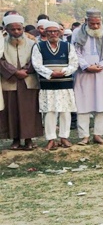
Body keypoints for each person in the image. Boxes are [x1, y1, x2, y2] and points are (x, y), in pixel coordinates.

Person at [31, 21, 79, 150]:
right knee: (49, 112)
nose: (53, 34)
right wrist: (51, 73)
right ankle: (51, 139)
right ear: (45, 33)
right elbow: (37, 64)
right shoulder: (39, 46)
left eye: (55, 31)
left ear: (59, 32)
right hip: (48, 84)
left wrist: (63, 72)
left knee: (65, 111)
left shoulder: (67, 46)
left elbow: (74, 63)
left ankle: (64, 137)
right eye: (50, 31)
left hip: (65, 83)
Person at [0, 15, 43, 150]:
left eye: (19, 29)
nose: (17, 32)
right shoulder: (2, 43)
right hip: (10, 81)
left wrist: (25, 70)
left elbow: (36, 60)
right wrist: (14, 72)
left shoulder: (32, 43)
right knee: (12, 112)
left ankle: (29, 140)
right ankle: (15, 140)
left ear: (23, 28)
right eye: (13, 30)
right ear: (7, 29)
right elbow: (1, 60)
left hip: (28, 81)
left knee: (29, 111)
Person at [73, 9, 103, 145]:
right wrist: (85, 66)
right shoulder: (77, 32)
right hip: (83, 72)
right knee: (82, 105)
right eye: (93, 24)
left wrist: (101, 65)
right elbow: (75, 52)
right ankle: (84, 136)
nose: (96, 26)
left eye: (98, 23)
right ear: (86, 21)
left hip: (101, 72)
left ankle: (98, 135)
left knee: (102, 105)